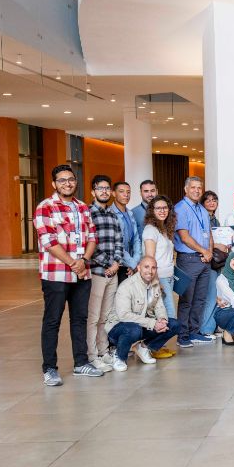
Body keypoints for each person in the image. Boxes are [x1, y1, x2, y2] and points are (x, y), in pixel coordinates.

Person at [35, 164, 104, 385]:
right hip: (56, 275)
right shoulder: (45, 207)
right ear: (54, 184)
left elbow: (92, 237)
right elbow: (49, 241)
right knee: (52, 321)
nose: (68, 183)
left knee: (80, 319)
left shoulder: (82, 207)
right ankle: (49, 369)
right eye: (62, 180)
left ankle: (81, 363)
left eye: (71, 179)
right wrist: (73, 263)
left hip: (82, 274)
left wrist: (84, 261)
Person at [104, 256, 180, 371]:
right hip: (117, 328)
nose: (150, 271)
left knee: (174, 325)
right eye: (146, 267)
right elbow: (124, 316)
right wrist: (152, 323)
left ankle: (144, 347)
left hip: (140, 325)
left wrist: (162, 320)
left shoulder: (155, 284)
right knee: (134, 329)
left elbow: (159, 307)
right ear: (139, 268)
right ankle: (119, 356)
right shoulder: (127, 286)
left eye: (153, 268)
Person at [86, 175, 122, 373]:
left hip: (112, 273)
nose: (104, 191)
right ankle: (92, 356)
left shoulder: (113, 215)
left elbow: (119, 241)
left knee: (105, 317)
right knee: (93, 317)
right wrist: (109, 263)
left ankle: (103, 351)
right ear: (93, 192)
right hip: (97, 272)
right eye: (100, 188)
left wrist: (116, 263)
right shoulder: (88, 213)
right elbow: (89, 244)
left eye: (107, 188)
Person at [173, 176, 213, 348]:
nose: (197, 190)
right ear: (186, 189)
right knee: (187, 300)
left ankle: (194, 332)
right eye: (193, 187)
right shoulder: (180, 209)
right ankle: (183, 336)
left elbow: (209, 234)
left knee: (200, 299)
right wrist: (204, 251)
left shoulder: (202, 209)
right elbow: (184, 237)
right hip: (188, 259)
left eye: (199, 188)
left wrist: (209, 252)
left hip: (205, 259)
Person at [142, 196, 178, 335]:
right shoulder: (150, 230)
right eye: (158, 208)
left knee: (162, 315)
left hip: (169, 277)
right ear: (152, 211)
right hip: (159, 277)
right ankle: (150, 344)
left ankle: (155, 344)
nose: (162, 211)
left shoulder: (164, 229)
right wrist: (155, 280)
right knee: (169, 315)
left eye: (165, 208)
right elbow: (150, 258)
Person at [198, 190, 226, 342]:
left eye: (214, 200)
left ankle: (212, 326)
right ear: (202, 203)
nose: (211, 202)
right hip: (206, 262)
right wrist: (217, 245)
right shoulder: (202, 218)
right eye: (208, 200)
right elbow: (201, 240)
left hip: (217, 263)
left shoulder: (216, 220)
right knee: (210, 296)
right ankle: (205, 329)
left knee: (217, 294)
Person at [110, 182, 142, 283]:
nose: (126, 195)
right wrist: (133, 264)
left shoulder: (130, 213)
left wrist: (135, 261)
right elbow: (117, 244)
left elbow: (136, 239)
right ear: (113, 193)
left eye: (128, 192)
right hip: (117, 264)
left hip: (131, 265)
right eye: (121, 191)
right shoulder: (110, 214)